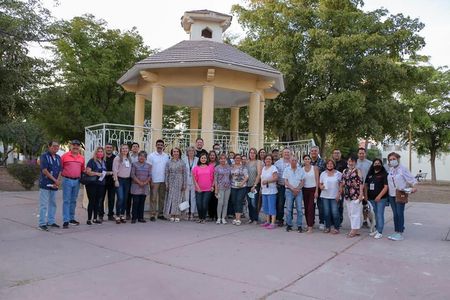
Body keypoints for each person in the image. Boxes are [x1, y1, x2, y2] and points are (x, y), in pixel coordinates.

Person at [386, 152, 417, 241]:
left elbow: (411, 179)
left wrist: (414, 187)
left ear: (398, 159)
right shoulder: (391, 170)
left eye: (394, 159)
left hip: (400, 193)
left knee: (400, 213)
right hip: (391, 194)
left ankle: (400, 233)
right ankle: (396, 231)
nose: (392, 161)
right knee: (395, 214)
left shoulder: (403, 169)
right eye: (390, 160)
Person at [38, 141, 62, 231]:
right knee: (43, 204)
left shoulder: (58, 157)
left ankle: (51, 221)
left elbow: (60, 170)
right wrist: (55, 180)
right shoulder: (44, 156)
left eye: (57, 146)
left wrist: (58, 181)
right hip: (45, 183)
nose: (56, 148)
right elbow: (44, 170)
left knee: (53, 203)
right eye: (54, 146)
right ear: (49, 146)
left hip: (54, 184)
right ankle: (42, 223)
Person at [61, 139, 85, 229]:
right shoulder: (64, 156)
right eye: (74, 145)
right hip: (67, 180)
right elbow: (60, 168)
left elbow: (83, 169)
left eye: (77, 145)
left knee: (73, 200)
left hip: (77, 181)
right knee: (66, 200)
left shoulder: (81, 158)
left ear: (79, 147)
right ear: (70, 146)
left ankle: (71, 218)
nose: (75, 147)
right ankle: (66, 220)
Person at [365, 158, 388, 239]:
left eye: (378, 163)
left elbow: (386, 187)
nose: (377, 164)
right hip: (371, 199)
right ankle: (377, 229)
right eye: (375, 163)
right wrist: (366, 196)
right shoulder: (370, 174)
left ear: (381, 165)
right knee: (375, 215)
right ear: (373, 164)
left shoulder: (384, 174)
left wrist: (379, 196)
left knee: (380, 214)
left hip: (381, 199)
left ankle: (380, 231)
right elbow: (366, 185)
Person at [147, 139, 170, 221]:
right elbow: (149, 169)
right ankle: (152, 215)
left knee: (162, 198)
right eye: (158, 145)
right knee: (153, 198)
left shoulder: (166, 156)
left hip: (163, 180)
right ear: (156, 145)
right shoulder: (151, 156)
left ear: (163, 146)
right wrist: (150, 180)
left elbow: (168, 169)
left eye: (161, 145)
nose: (160, 146)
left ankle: (160, 214)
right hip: (154, 180)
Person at [342, 156, 364, 237]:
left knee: (355, 213)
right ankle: (355, 228)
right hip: (347, 195)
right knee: (350, 213)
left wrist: (361, 194)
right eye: (349, 161)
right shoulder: (345, 171)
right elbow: (343, 182)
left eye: (352, 161)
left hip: (356, 194)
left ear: (355, 162)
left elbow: (361, 183)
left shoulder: (358, 171)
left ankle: (354, 230)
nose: (350, 163)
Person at [85, 146, 107, 225]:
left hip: (101, 184)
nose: (100, 153)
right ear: (96, 153)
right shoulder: (92, 161)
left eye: (101, 152)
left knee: (98, 202)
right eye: (99, 151)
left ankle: (95, 218)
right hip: (92, 184)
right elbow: (88, 172)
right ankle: (89, 219)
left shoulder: (103, 162)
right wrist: (97, 173)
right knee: (92, 201)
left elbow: (104, 172)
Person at [164, 147, 187, 222]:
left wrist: (184, 184)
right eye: (174, 151)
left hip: (180, 181)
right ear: (172, 153)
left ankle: (177, 214)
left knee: (179, 199)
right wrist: (166, 183)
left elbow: (185, 174)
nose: (176, 153)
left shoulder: (182, 162)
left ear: (179, 153)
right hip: (171, 182)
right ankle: (172, 214)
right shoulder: (168, 162)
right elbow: (166, 173)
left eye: (177, 151)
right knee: (171, 198)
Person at [319, 160, 342, 234]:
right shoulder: (323, 174)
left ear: (334, 165)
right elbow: (320, 184)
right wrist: (321, 187)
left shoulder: (338, 174)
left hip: (334, 196)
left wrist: (339, 194)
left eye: (331, 164)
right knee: (326, 213)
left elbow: (341, 185)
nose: (329, 165)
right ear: (326, 165)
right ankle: (327, 227)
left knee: (335, 213)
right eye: (328, 164)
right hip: (325, 196)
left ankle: (336, 227)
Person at [284, 156, 305, 232]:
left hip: (299, 191)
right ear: (290, 161)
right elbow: (285, 181)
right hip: (289, 191)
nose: (293, 161)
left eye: (295, 160)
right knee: (289, 209)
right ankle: (289, 224)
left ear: (297, 161)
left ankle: (299, 225)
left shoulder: (301, 170)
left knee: (299, 209)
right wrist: (293, 189)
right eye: (292, 160)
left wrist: (298, 189)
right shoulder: (286, 170)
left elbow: (303, 181)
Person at [130, 151, 151, 223]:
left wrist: (144, 183)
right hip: (136, 186)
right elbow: (132, 175)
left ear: (146, 158)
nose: (142, 157)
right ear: (138, 157)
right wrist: (139, 182)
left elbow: (150, 176)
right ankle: (134, 218)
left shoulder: (149, 165)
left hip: (144, 186)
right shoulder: (134, 164)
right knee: (135, 202)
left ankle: (140, 217)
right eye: (140, 156)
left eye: (143, 156)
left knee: (142, 202)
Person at [192, 152, 214, 223]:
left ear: (207, 159)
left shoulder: (210, 167)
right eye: (202, 158)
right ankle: (200, 218)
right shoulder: (196, 168)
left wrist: (212, 186)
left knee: (204, 204)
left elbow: (213, 178)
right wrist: (197, 187)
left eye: (205, 158)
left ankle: (203, 218)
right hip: (198, 189)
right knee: (199, 204)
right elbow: (194, 179)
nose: (203, 159)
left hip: (208, 189)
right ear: (200, 159)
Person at [113, 144, 132, 224]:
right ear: (120, 149)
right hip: (119, 180)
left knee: (125, 199)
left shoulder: (129, 158)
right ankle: (117, 215)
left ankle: (122, 215)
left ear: (128, 149)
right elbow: (115, 170)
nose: (125, 150)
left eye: (126, 148)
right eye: (123, 148)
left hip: (127, 180)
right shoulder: (117, 158)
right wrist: (116, 180)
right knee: (120, 198)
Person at [301, 154, 319, 233]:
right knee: (306, 208)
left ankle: (310, 227)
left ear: (310, 160)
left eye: (308, 159)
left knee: (311, 208)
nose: (307, 160)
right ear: (303, 160)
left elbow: (317, 180)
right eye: (305, 159)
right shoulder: (301, 169)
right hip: (305, 190)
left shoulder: (314, 168)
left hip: (313, 190)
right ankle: (309, 223)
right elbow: (301, 181)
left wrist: (316, 191)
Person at [260, 154, 278, 229]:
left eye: (269, 159)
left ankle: (273, 222)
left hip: (272, 191)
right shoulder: (263, 168)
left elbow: (276, 178)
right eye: (267, 159)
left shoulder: (273, 168)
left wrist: (267, 181)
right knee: (266, 207)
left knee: (272, 207)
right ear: (264, 160)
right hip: (264, 190)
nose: (268, 160)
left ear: (272, 160)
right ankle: (267, 221)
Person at [230, 154, 248, 225]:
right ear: (234, 159)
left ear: (240, 159)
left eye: (239, 158)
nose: (237, 159)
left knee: (239, 201)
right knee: (234, 201)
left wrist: (242, 183)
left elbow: (246, 177)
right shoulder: (231, 167)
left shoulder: (243, 167)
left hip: (242, 187)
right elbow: (229, 176)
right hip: (233, 187)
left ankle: (238, 219)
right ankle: (236, 217)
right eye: (236, 158)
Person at [310, 145, 325, 230]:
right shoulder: (307, 161)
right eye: (312, 151)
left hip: (319, 187)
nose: (313, 152)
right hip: (309, 186)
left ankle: (322, 222)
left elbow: (318, 171)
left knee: (320, 206)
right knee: (310, 206)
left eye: (315, 151)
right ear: (310, 152)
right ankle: (310, 222)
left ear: (318, 152)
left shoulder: (322, 161)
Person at [274, 148, 291, 226]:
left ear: (290, 153)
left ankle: (289, 220)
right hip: (280, 186)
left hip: (290, 187)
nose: (286, 154)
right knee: (280, 204)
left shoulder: (294, 162)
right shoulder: (277, 163)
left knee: (289, 204)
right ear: (282, 154)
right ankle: (280, 219)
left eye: (288, 152)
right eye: (285, 152)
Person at [214, 153, 232, 224]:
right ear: (219, 159)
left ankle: (223, 217)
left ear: (226, 159)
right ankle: (218, 218)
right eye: (221, 158)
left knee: (226, 203)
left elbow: (230, 176)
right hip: (220, 187)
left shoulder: (229, 167)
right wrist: (216, 188)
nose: (223, 160)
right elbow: (215, 179)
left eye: (224, 158)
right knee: (220, 202)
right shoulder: (217, 168)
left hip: (228, 187)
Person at [246, 148, 262, 224]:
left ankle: (255, 218)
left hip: (254, 185)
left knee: (254, 203)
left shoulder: (258, 162)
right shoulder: (247, 162)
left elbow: (259, 174)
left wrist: (255, 185)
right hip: (247, 185)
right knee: (249, 203)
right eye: (250, 152)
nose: (252, 154)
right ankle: (251, 218)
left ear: (256, 154)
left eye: (253, 153)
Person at [332, 148, 347, 226]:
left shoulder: (344, 163)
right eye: (335, 153)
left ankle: (339, 221)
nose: (336, 154)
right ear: (333, 154)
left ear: (340, 154)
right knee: (332, 204)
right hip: (331, 188)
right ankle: (332, 220)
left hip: (341, 187)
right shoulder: (330, 163)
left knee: (339, 205)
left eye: (338, 153)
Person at [183, 146, 198, 220]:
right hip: (186, 180)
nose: (191, 152)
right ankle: (186, 212)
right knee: (186, 197)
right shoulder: (184, 159)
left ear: (194, 152)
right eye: (189, 151)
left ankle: (192, 212)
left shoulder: (197, 160)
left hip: (194, 181)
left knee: (193, 197)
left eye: (192, 151)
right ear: (187, 152)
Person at [126, 142, 140, 220]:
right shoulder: (128, 156)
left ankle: (136, 213)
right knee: (128, 197)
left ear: (138, 148)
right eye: (133, 146)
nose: (135, 148)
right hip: (128, 178)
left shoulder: (140, 156)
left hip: (137, 179)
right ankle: (127, 213)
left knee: (136, 196)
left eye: (136, 146)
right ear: (131, 148)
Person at [103, 143, 116, 221]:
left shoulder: (115, 158)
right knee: (101, 199)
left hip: (112, 181)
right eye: (107, 147)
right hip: (102, 181)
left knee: (111, 199)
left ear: (113, 149)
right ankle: (100, 215)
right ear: (105, 148)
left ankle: (110, 215)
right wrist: (109, 172)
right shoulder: (102, 157)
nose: (109, 149)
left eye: (110, 147)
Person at [207, 150, 219, 221]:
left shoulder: (218, 164)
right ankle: (211, 215)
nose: (212, 156)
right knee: (209, 200)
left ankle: (216, 215)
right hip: (208, 184)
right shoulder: (206, 163)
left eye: (213, 155)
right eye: (211, 155)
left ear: (215, 156)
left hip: (217, 184)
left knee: (216, 200)